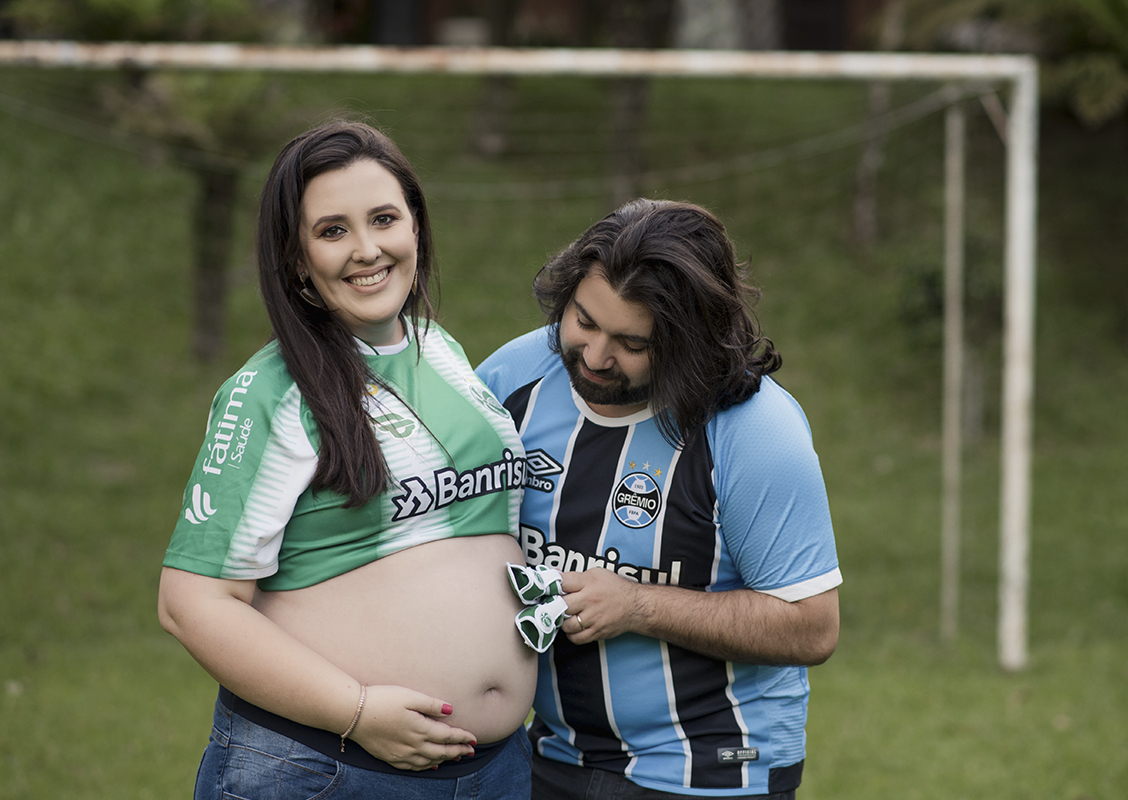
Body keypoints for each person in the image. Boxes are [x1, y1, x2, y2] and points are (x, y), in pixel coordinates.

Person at [158, 120, 537, 800]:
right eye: (333, 231)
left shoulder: (440, 350)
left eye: (384, 219)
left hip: (492, 772)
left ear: (416, 226)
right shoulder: (269, 391)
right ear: (297, 258)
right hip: (326, 769)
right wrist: (356, 711)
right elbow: (192, 604)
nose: (367, 250)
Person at [477, 199, 841, 800]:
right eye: (584, 321)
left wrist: (639, 606)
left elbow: (811, 627)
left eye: (631, 343)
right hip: (545, 751)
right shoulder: (512, 379)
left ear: (689, 340)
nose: (594, 357)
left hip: (714, 767)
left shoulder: (753, 428)